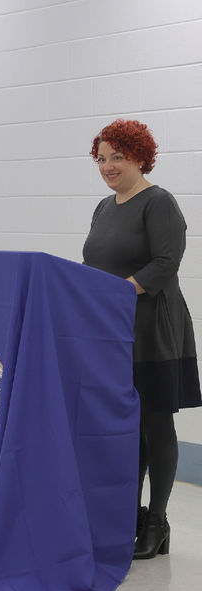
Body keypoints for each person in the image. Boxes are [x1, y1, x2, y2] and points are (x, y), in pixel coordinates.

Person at [83, 119, 201, 560]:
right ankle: (126, 514)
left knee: (154, 422)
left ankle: (158, 520)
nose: (108, 166)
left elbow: (166, 262)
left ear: (139, 156)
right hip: (112, 328)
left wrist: (118, 291)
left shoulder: (159, 203)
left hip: (153, 327)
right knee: (124, 426)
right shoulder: (103, 207)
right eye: (102, 158)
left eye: (118, 156)